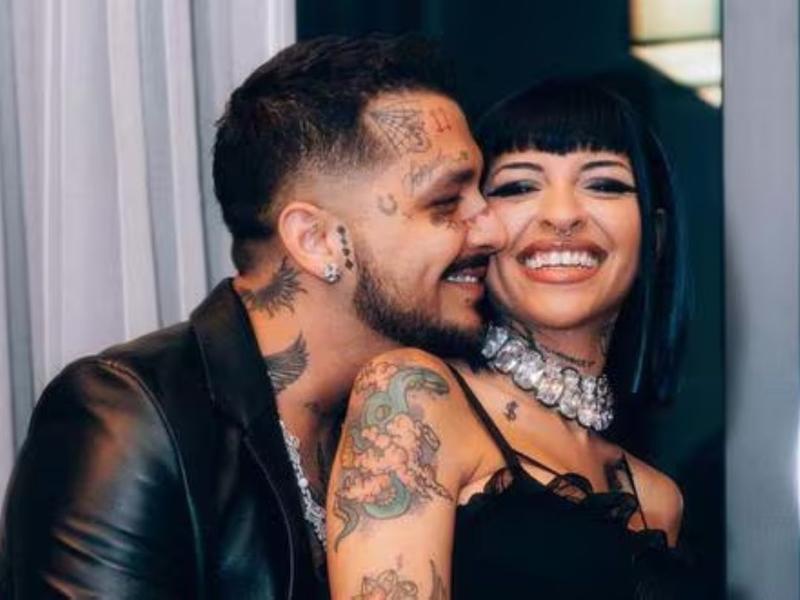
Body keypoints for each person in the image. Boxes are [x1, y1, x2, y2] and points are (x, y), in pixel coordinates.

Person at [0, 34, 506, 599]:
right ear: (316, 240)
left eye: (482, 195)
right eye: (445, 203)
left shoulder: (425, 408)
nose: (494, 229)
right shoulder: (129, 416)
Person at [327, 81, 697, 599]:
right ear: (473, 224)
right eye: (519, 186)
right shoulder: (412, 397)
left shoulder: (659, 500)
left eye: (605, 184)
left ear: (654, 237)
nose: (562, 215)